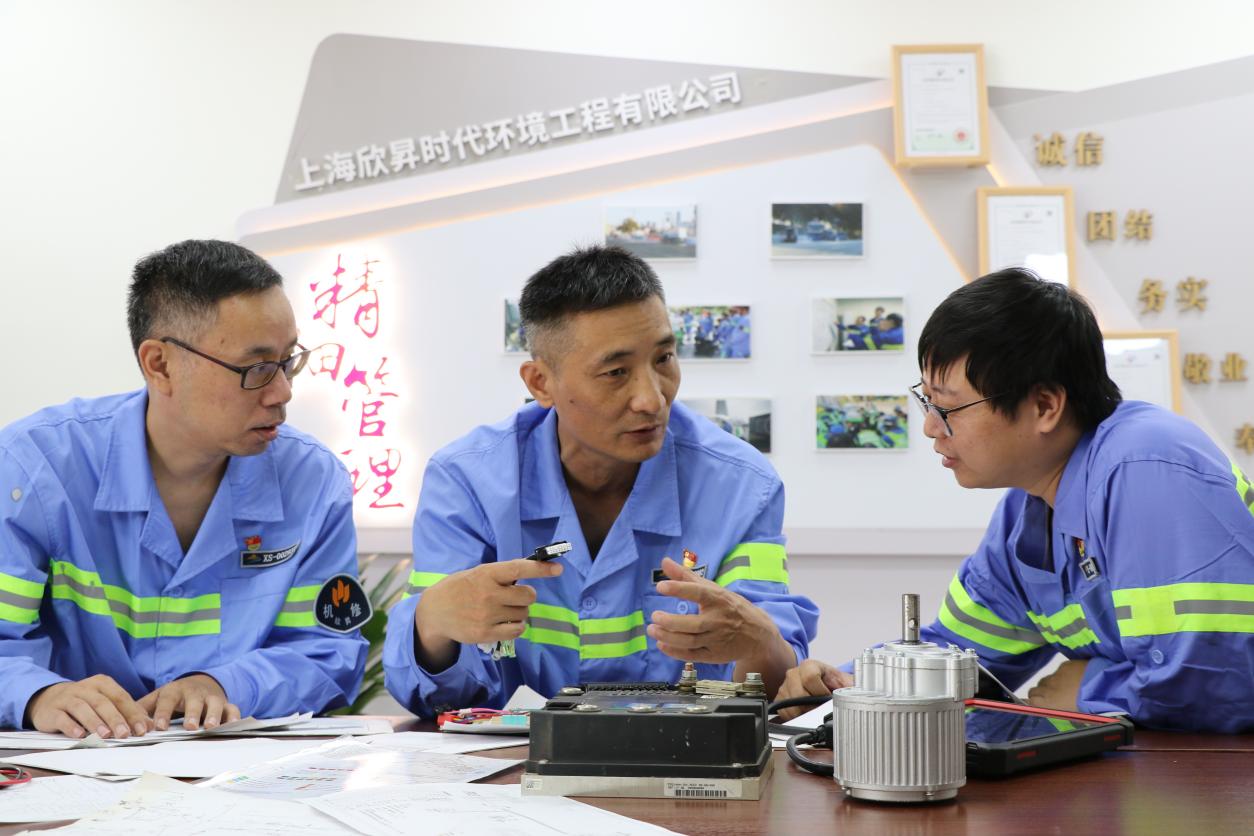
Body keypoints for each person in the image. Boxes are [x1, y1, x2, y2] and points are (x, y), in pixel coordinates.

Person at [779, 268, 1254, 733]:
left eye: (948, 407)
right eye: (926, 402)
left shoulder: (1147, 466)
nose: (930, 427)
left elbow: (1217, 681)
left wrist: (1087, 692)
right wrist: (845, 688)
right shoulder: (1027, 512)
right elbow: (960, 658)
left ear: (1045, 406)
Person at [384, 245, 817, 718]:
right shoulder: (467, 481)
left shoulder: (740, 485)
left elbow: (776, 686)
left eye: (664, 359)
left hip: (687, 756)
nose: (652, 399)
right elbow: (435, 700)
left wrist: (762, 642)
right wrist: (433, 624)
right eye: (615, 372)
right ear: (540, 383)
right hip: (513, 760)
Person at [0, 240, 369, 739]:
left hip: (236, 770)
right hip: (73, 764)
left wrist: (224, 684)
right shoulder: (36, 469)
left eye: (289, 361)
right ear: (159, 364)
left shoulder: (312, 482)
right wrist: (38, 694)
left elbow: (328, 651)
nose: (283, 391)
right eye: (257, 368)